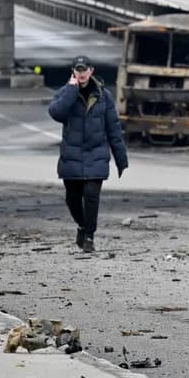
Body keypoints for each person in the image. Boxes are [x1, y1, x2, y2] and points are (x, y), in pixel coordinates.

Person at [48, 55, 129, 253]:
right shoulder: (66, 92)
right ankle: (82, 226)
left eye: (85, 70)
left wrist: (121, 159)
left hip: (97, 155)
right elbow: (56, 113)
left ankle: (90, 237)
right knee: (72, 199)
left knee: (92, 196)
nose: (82, 73)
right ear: (73, 71)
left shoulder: (104, 96)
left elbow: (114, 129)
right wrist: (71, 89)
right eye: (78, 69)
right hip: (72, 156)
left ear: (91, 70)